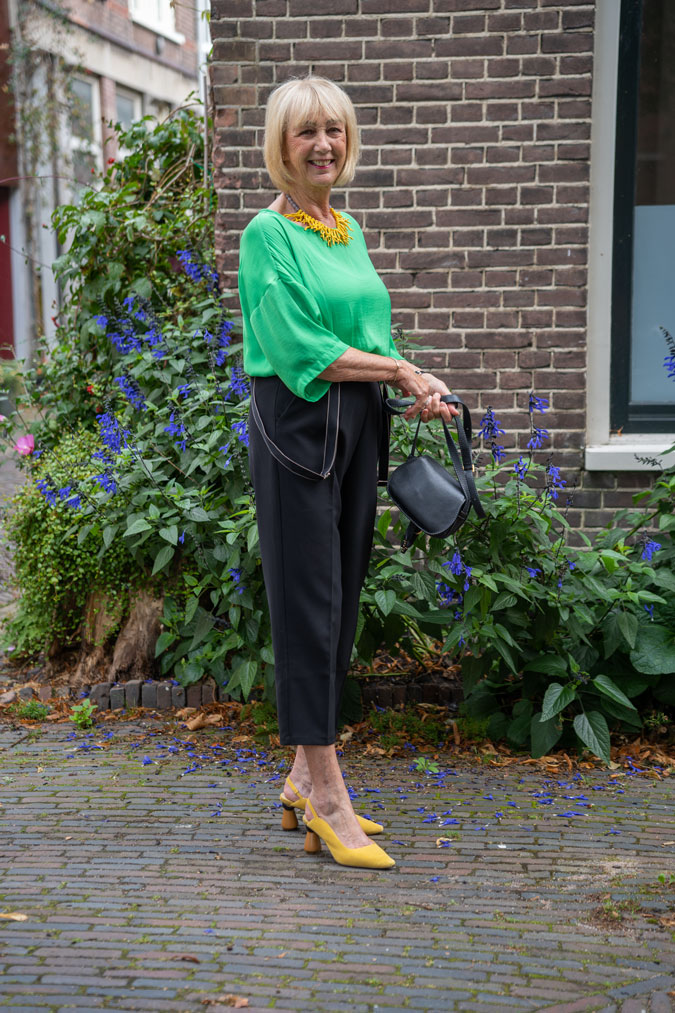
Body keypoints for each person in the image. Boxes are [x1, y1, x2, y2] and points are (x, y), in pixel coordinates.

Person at [238, 75, 458, 870]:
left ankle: (301, 778)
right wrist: (399, 370)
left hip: (356, 426)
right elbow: (302, 349)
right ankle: (329, 799)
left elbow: (366, 332)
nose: (323, 144)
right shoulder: (269, 235)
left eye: (334, 129)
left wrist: (412, 386)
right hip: (298, 426)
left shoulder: (343, 227)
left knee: (342, 595)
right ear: (281, 145)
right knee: (309, 607)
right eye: (306, 133)